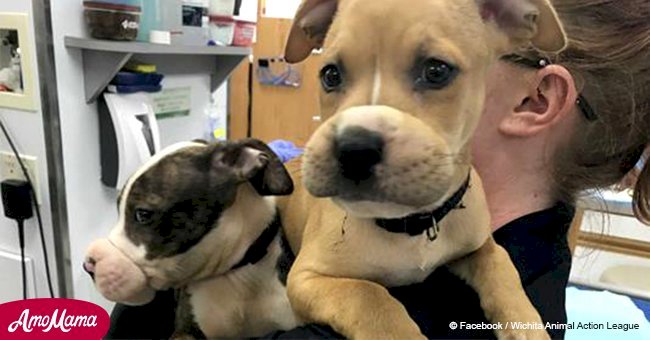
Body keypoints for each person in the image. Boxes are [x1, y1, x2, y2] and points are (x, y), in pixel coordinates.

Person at [105, 0, 650, 338]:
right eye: (336, 75)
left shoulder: (482, 290)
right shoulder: (541, 251)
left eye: (434, 71)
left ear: (537, 98)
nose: (356, 121)